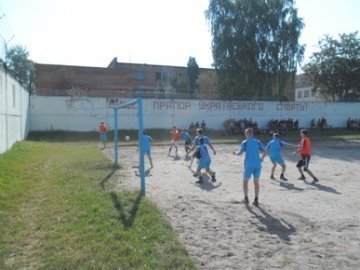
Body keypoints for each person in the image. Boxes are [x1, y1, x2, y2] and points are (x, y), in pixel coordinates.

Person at [234, 128, 265, 207]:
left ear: (246, 134)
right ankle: (256, 199)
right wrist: (261, 159)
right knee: (256, 182)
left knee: (245, 182)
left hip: (249, 165)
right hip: (258, 165)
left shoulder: (245, 142)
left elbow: (240, 153)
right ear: (252, 134)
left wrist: (235, 152)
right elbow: (265, 151)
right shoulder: (257, 141)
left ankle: (246, 198)